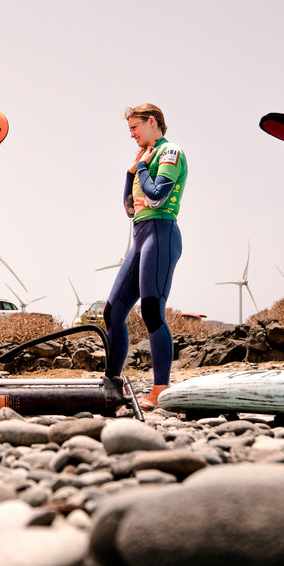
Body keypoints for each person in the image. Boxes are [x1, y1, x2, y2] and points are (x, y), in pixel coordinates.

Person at [104, 103, 187, 409]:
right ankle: (111, 384)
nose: (132, 135)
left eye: (135, 128)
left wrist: (141, 167)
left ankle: (160, 389)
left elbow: (157, 196)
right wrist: (132, 171)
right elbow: (129, 208)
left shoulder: (169, 153)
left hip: (161, 234)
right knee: (112, 312)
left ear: (152, 122)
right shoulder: (144, 158)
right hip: (140, 236)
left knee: (152, 311)